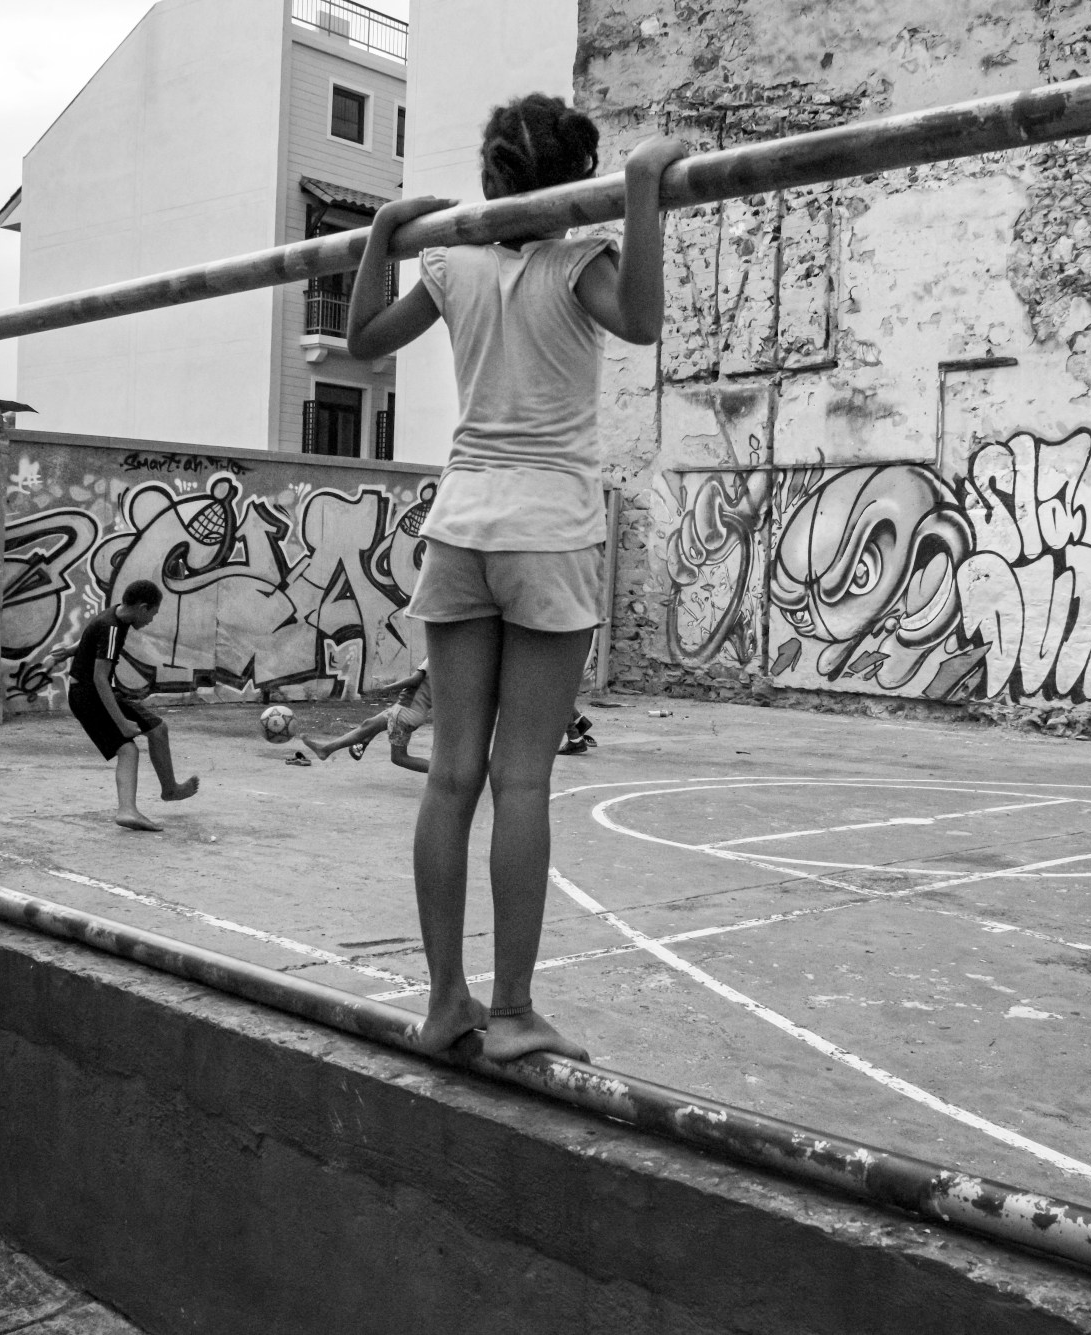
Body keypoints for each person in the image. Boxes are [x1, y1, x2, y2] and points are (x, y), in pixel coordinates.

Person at [344, 93, 685, 1061]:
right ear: (570, 185)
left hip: (459, 530)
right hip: (544, 531)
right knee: (520, 780)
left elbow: (364, 336)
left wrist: (380, 232)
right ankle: (513, 1013)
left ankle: (445, 1000)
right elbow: (647, 324)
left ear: (493, 183)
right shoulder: (580, 258)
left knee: (450, 776)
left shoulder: (448, 262)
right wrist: (641, 193)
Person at [66, 580, 199, 831]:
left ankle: (170, 789)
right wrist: (122, 723)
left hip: (92, 691)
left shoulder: (116, 617)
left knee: (158, 730)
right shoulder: (112, 627)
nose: (151, 620)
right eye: (153, 613)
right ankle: (127, 810)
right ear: (142, 607)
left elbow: (92, 636)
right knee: (128, 750)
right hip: (88, 694)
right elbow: (99, 678)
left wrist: (70, 652)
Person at [308, 661, 432, 773]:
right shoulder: (447, 669)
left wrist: (387, 688)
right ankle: (326, 750)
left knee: (399, 758)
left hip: (405, 712)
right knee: (368, 725)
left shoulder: (433, 657)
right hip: (411, 712)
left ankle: (442, 773)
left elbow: (415, 679)